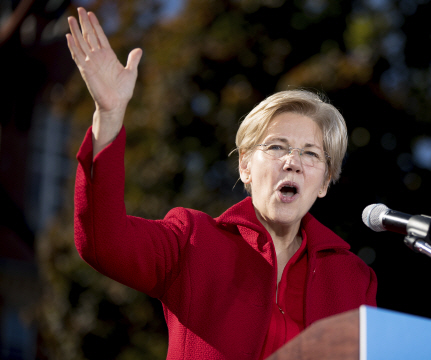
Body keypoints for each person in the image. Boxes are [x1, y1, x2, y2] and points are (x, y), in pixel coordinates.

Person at [67, 7, 377, 360]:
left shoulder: (354, 279)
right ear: (245, 166)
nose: (292, 162)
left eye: (311, 154)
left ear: (324, 181)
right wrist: (109, 116)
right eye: (277, 147)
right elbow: (103, 242)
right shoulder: (192, 241)